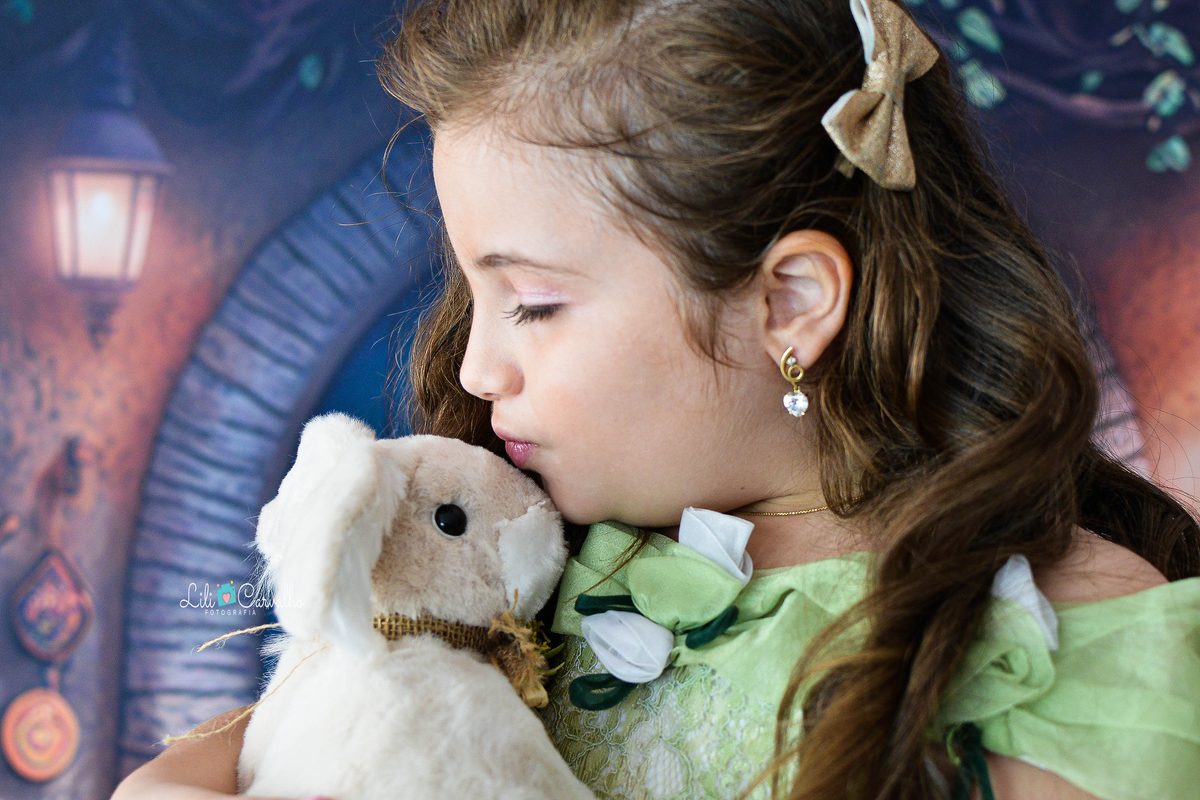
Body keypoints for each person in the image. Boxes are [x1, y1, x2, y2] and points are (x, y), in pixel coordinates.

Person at [112, 0, 1200, 799]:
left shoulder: (1061, 638)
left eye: (532, 303)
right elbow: (300, 737)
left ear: (790, 302)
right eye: (470, 294)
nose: (480, 365)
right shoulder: (512, 556)